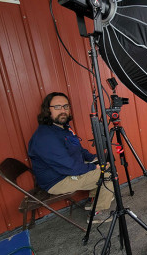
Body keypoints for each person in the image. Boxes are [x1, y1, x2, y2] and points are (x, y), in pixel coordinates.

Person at [28, 92, 114, 223]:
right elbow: (68, 166)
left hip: (67, 170)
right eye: (57, 107)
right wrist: (94, 166)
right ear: (47, 110)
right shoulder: (45, 137)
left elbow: (78, 149)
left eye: (66, 106)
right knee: (108, 173)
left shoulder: (63, 128)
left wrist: (94, 158)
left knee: (105, 164)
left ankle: (93, 202)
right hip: (57, 180)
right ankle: (97, 213)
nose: (63, 110)